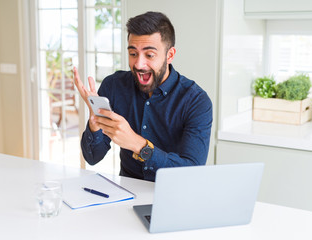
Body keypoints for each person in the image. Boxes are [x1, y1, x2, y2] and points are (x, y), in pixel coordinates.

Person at [73, 11, 212, 182]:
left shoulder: (196, 101)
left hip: (174, 192)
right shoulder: (114, 86)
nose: (138, 64)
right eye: (133, 54)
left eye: (149, 55)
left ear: (170, 55)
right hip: (127, 191)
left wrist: (138, 145)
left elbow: (191, 172)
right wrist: (94, 126)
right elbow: (92, 158)